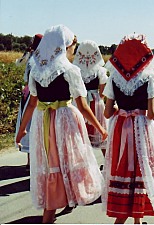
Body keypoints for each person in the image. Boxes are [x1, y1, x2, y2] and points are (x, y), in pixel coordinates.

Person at [15, 24, 107, 224]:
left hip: (42, 120)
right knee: (67, 160)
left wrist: (22, 131)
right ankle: (54, 208)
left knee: (51, 162)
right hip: (64, 120)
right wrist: (100, 128)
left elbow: (31, 104)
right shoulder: (70, 70)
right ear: (64, 45)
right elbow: (83, 106)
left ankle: (55, 205)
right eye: (72, 44)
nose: (73, 48)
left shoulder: (36, 71)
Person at [102, 33, 154, 224]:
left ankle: (127, 216)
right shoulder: (150, 77)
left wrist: (120, 108)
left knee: (123, 168)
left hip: (121, 127)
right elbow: (151, 113)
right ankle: (136, 217)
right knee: (141, 167)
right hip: (141, 127)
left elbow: (107, 113)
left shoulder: (114, 78)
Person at [73, 40, 108, 158]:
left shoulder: (75, 70)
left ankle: (82, 162)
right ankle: (107, 161)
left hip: (79, 100)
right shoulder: (100, 70)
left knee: (80, 133)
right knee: (100, 132)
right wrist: (98, 98)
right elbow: (103, 91)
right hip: (95, 101)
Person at [15, 34, 43, 171]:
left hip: (28, 92)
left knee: (29, 124)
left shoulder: (32, 56)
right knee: (33, 125)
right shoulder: (39, 57)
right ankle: (32, 161)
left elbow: (19, 64)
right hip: (34, 93)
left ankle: (30, 161)